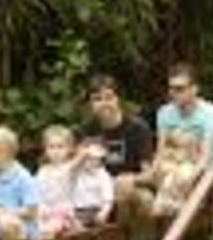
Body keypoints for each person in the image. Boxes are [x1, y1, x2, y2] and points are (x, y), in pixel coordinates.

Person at [83, 74, 155, 219]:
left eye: (109, 97)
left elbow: (150, 175)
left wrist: (132, 179)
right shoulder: (88, 130)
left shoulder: (137, 128)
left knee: (139, 196)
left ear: (117, 99)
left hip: (132, 187)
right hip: (99, 190)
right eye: (97, 99)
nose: (104, 104)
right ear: (91, 104)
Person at [155, 62, 213, 171]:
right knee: (124, 182)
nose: (173, 93)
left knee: (182, 174)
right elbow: (160, 153)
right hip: (174, 166)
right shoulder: (164, 113)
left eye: (180, 89)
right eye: (171, 89)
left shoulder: (211, 114)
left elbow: (205, 159)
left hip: (210, 171)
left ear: (194, 89)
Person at [34, 125, 80, 238]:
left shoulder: (69, 168)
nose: (55, 151)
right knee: (32, 226)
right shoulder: (42, 170)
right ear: (45, 150)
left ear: (69, 149)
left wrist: (85, 154)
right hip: (44, 212)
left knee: (50, 229)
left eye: (60, 147)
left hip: (63, 213)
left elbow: (77, 163)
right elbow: (37, 192)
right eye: (51, 147)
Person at [150, 131, 201, 217]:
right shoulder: (165, 160)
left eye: (181, 148)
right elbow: (157, 165)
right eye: (174, 148)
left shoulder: (189, 166)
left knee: (182, 175)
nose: (174, 152)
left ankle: (176, 204)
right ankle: (164, 204)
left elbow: (194, 161)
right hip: (167, 177)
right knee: (167, 177)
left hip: (181, 196)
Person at [71, 137, 115, 226]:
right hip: (76, 210)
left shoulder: (103, 176)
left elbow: (108, 199)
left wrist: (104, 212)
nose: (90, 162)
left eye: (94, 159)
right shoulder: (77, 172)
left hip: (94, 211)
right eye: (87, 159)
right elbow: (68, 171)